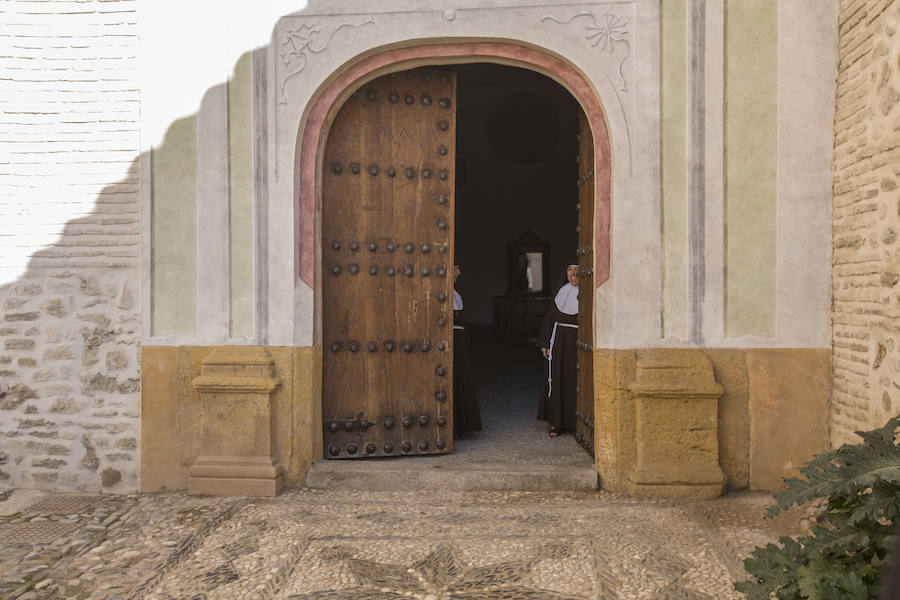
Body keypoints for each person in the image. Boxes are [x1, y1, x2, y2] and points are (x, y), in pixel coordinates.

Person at [537, 264, 579, 437]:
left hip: (577, 342)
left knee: (574, 381)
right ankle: (556, 423)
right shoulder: (561, 292)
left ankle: (576, 424)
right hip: (558, 341)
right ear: (566, 273)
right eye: (569, 269)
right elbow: (549, 319)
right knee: (557, 379)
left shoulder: (586, 293)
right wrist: (545, 343)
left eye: (577, 269)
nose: (573, 273)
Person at [452, 265, 482, 435]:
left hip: (460, 344)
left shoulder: (456, 295)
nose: (459, 272)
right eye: (456, 268)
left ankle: (462, 425)